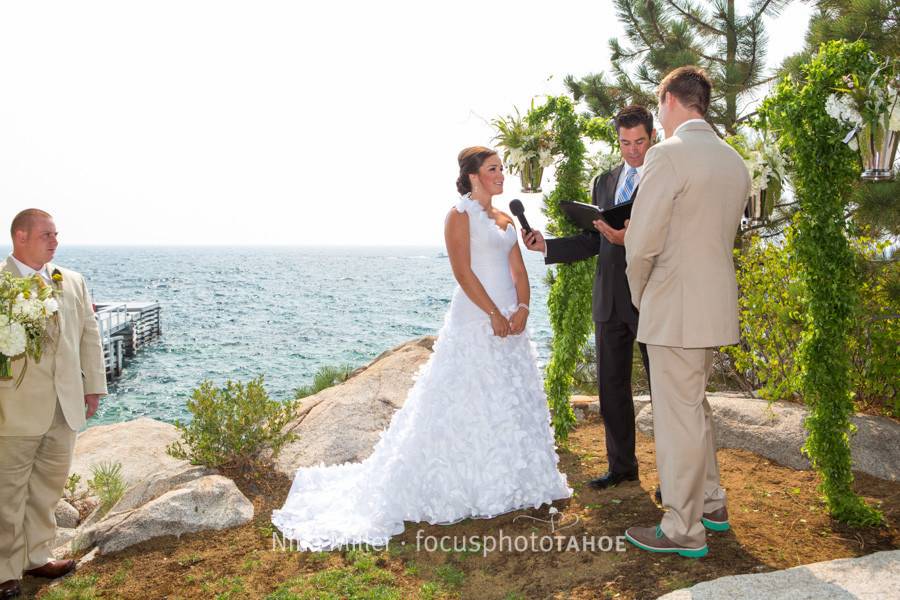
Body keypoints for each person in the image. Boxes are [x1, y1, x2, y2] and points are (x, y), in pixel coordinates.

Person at [272, 146, 571, 550]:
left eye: (501, 168)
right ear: (472, 176)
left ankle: (518, 481)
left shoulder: (504, 219)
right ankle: (461, 485)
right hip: (475, 321)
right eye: (493, 169)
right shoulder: (458, 215)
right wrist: (492, 314)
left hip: (511, 325)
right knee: (466, 400)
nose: (501, 174)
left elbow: (518, 270)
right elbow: (462, 272)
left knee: (511, 399)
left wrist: (522, 308)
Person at [623, 66, 749, 558]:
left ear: (671, 100)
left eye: (659, 106)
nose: (660, 115)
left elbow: (642, 243)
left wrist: (639, 294)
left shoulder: (667, 155)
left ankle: (682, 527)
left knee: (677, 417)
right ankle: (712, 504)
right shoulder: (733, 160)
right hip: (713, 305)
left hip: (673, 305)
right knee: (694, 406)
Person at [522, 105, 654, 491]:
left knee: (664, 392)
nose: (633, 151)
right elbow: (593, 241)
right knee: (611, 387)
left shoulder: (664, 176)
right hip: (610, 299)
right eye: (625, 142)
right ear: (618, 140)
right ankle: (622, 467)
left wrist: (629, 237)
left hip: (652, 297)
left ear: (652, 137)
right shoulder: (604, 180)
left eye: (640, 142)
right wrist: (547, 246)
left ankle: (675, 476)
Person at [1, 209, 107, 598]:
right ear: (20, 236)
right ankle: (4, 571)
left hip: (64, 406)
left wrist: (93, 387)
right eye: (47, 234)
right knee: (7, 493)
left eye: (56, 234)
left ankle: (37, 557)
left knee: (48, 488)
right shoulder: (0, 283)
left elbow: (88, 336)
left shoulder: (73, 281)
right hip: (12, 409)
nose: (55, 241)